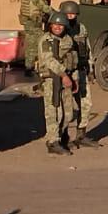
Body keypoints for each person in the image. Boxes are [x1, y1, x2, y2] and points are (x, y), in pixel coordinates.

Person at [37, 13, 82, 156]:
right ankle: (52, 142)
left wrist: (74, 79)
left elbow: (72, 60)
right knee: (54, 112)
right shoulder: (46, 40)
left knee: (68, 113)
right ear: (50, 25)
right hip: (51, 79)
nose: (57, 27)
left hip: (67, 78)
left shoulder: (68, 40)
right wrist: (63, 75)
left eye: (61, 25)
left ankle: (62, 137)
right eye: (55, 25)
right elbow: (49, 61)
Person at [58, 0, 102, 146]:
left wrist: (90, 68)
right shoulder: (58, 30)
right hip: (66, 73)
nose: (71, 17)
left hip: (81, 71)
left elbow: (87, 49)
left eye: (73, 14)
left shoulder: (81, 28)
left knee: (86, 104)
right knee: (66, 108)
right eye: (68, 14)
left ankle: (81, 135)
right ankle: (62, 137)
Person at [19, 0, 51, 67]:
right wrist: (55, 13)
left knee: (30, 46)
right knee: (41, 44)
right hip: (35, 24)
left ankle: (29, 66)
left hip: (27, 24)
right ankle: (33, 67)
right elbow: (45, 8)